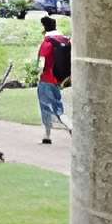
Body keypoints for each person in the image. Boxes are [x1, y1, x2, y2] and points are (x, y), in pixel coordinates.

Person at [34, 14, 70, 144]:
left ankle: (47, 135)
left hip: (46, 79)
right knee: (58, 106)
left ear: (45, 28)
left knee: (46, 108)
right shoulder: (65, 40)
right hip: (58, 80)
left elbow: (42, 63)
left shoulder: (47, 43)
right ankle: (67, 126)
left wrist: (36, 74)